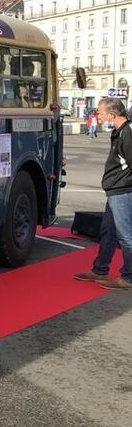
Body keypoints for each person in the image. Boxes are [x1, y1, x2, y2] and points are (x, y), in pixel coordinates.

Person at [75, 97, 132, 290]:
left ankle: (129, 277)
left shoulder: (127, 133)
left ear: (112, 114)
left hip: (122, 191)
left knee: (125, 236)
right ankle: (100, 269)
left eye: (100, 112)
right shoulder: (119, 131)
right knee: (108, 232)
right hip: (116, 190)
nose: (98, 116)